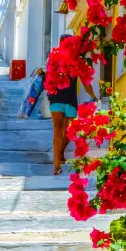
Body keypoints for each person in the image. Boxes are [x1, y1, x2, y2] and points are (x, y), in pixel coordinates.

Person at [45, 33, 98, 175]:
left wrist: (93, 95)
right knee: (57, 130)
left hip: (70, 100)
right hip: (56, 98)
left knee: (68, 132)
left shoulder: (77, 60)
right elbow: (48, 76)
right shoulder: (54, 59)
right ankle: (56, 164)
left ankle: (61, 152)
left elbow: (85, 81)